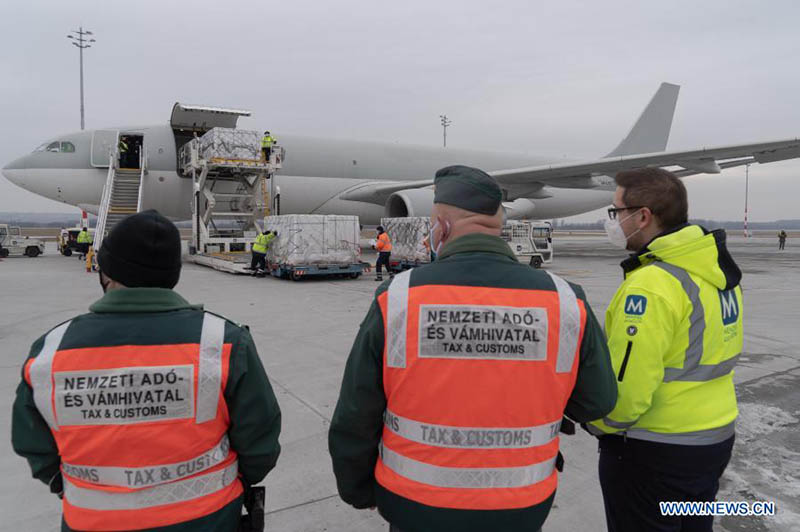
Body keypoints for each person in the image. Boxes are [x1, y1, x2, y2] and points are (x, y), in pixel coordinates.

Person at [329, 165, 617, 532]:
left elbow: (356, 414)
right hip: (522, 505)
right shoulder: (565, 300)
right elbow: (598, 402)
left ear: (442, 227)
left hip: (414, 505)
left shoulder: (399, 297)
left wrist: (357, 490)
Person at [12, 210, 282, 532]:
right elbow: (260, 439)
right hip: (210, 519)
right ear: (173, 276)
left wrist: (69, 485)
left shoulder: (51, 350)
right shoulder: (222, 341)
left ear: (106, 273)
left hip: (91, 522)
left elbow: (32, 442)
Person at [587, 168, 743, 532]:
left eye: (616, 211)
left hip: (655, 449)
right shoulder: (717, 271)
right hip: (713, 438)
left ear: (643, 216)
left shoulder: (651, 285)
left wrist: (595, 423)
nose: (613, 221)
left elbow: (628, 392)